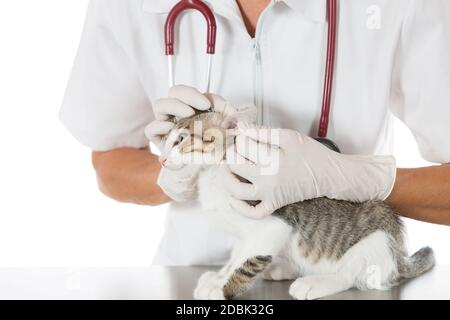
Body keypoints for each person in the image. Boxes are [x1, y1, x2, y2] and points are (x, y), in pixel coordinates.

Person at [60, 0, 450, 266]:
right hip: (196, 285)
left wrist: (359, 179)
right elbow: (108, 163)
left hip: (343, 277)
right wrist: (175, 173)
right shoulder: (127, 7)